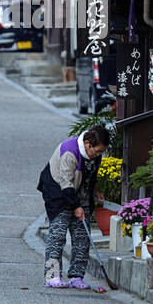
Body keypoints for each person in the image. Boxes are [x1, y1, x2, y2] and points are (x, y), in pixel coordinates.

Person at [37, 124, 110, 289]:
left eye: (101, 152)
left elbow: (90, 177)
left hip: (79, 192)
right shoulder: (70, 152)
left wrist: (95, 191)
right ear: (87, 144)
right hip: (57, 190)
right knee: (58, 234)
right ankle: (52, 276)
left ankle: (77, 276)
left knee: (82, 237)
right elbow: (66, 183)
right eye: (97, 151)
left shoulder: (95, 155)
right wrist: (76, 207)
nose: (98, 154)